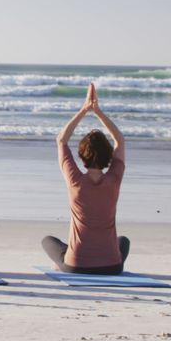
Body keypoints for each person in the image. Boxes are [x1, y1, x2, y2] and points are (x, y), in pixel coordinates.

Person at [41, 83, 130, 275]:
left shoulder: (74, 180)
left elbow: (61, 140)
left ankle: (60, 263)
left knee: (48, 240)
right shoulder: (114, 178)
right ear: (109, 157)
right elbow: (120, 141)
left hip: (76, 265)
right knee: (123, 241)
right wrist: (98, 111)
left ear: (81, 156)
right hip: (112, 267)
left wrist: (84, 110)